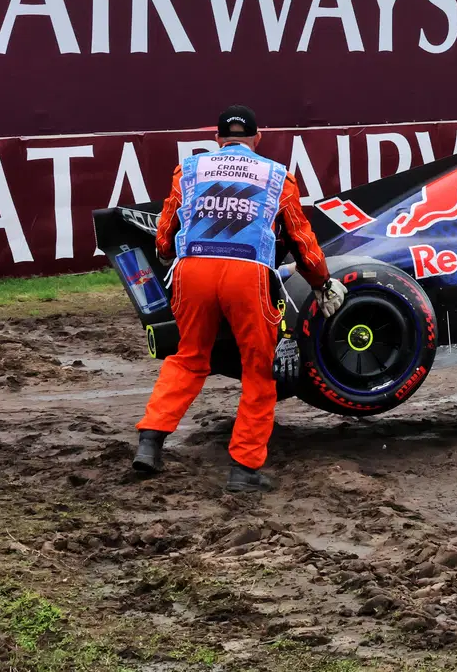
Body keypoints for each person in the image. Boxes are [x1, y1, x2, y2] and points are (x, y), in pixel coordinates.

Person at [131, 106, 347, 491]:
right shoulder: (278, 176)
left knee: (189, 357)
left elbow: (166, 230)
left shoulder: (190, 170)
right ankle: (244, 469)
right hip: (247, 275)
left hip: (193, 271)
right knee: (258, 371)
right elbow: (302, 241)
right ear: (257, 139)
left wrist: (167, 251)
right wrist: (321, 282)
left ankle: (150, 441)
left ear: (217, 139)